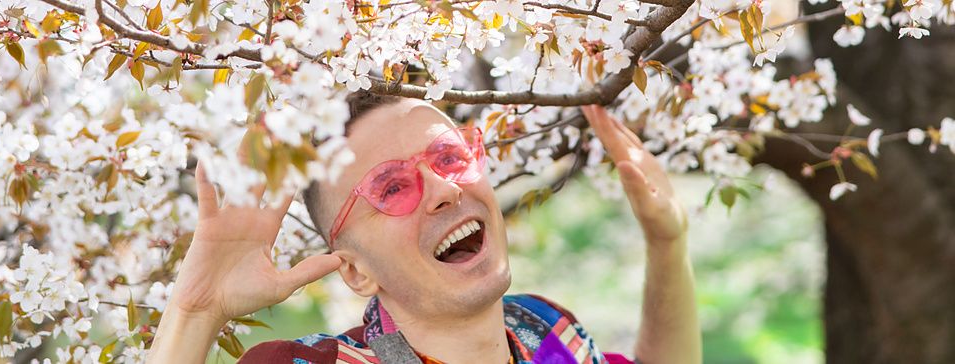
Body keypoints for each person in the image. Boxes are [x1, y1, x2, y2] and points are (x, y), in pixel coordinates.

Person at [147, 91, 701, 363]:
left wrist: (667, 242)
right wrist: (194, 314)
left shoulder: (544, 329)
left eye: (449, 157)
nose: (443, 189)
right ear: (356, 270)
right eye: (390, 188)